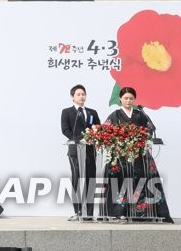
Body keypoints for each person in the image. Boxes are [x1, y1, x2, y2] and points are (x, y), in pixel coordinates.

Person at [102, 86, 173, 223]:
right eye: (126, 98)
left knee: (145, 180)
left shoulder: (140, 114)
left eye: (131, 98)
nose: (128, 101)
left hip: (139, 155)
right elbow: (106, 132)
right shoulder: (114, 115)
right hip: (121, 155)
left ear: (134, 100)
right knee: (120, 182)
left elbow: (150, 129)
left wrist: (140, 136)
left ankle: (143, 213)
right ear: (120, 99)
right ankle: (119, 212)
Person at [60, 84, 99, 219]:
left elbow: (98, 128)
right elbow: (65, 130)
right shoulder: (67, 112)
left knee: (90, 180)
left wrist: (93, 137)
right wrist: (79, 139)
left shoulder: (92, 112)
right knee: (77, 180)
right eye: (78, 94)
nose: (82, 96)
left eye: (83, 94)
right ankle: (78, 212)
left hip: (90, 152)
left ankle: (88, 213)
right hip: (75, 151)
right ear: (72, 97)